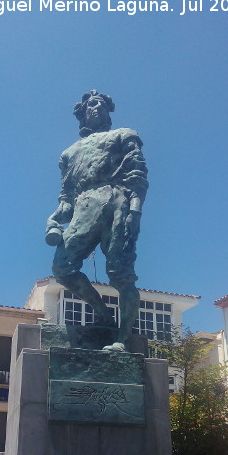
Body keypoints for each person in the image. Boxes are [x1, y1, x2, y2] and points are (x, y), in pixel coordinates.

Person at [46, 90, 148, 351]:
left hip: (116, 201)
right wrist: (54, 218)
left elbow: (137, 175)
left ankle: (122, 340)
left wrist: (135, 210)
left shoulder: (124, 134)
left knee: (121, 274)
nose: (97, 108)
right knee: (62, 267)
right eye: (91, 105)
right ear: (82, 114)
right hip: (84, 206)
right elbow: (66, 199)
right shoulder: (68, 154)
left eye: (101, 104)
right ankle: (104, 316)